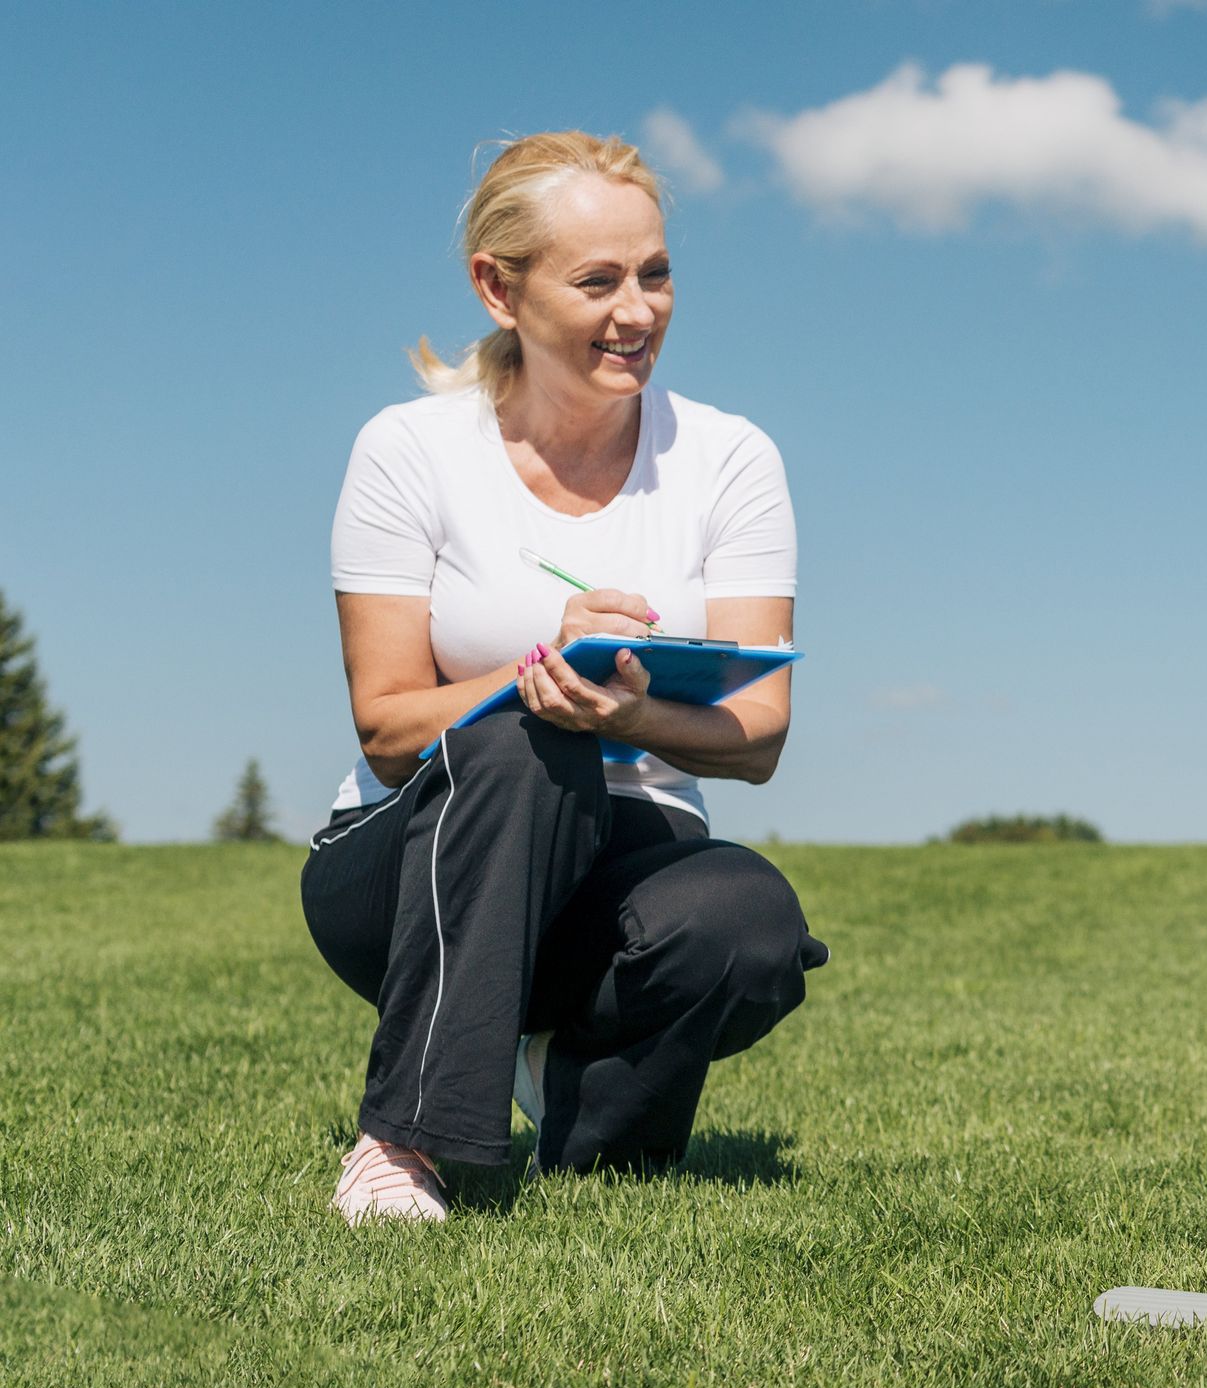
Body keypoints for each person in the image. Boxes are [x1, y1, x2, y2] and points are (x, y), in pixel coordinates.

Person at [302, 131, 827, 1224]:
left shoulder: (731, 458)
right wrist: (537, 668)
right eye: (598, 281)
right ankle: (406, 1139)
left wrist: (629, 708)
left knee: (749, 918)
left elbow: (761, 730)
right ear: (499, 288)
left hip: (625, 847)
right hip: (409, 860)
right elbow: (391, 722)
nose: (637, 311)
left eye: (656, 273)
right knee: (520, 737)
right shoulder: (410, 451)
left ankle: (588, 1137)